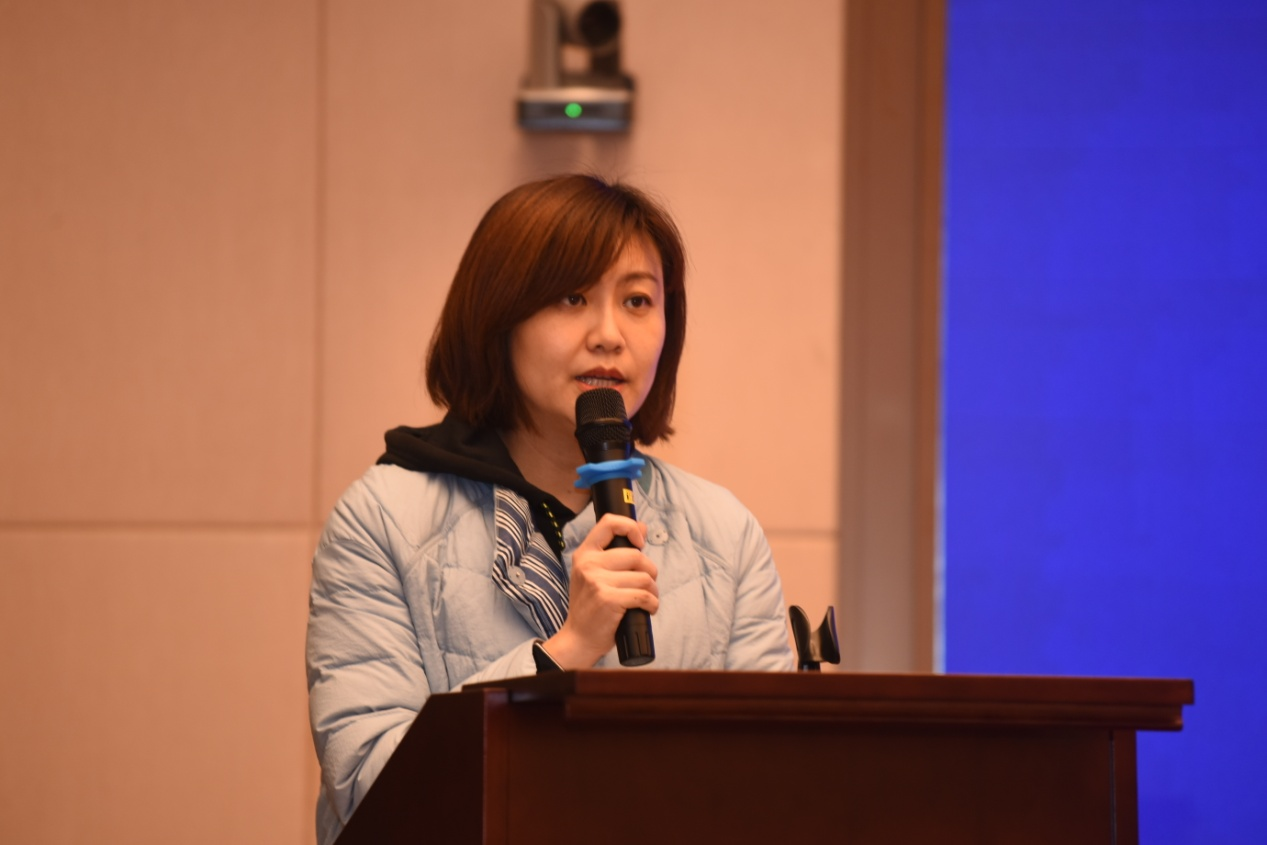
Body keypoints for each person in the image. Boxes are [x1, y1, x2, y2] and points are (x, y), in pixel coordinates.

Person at [305, 174, 794, 844]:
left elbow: (775, 789)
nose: (609, 335)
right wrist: (565, 651)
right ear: (499, 316)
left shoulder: (725, 533)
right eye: (572, 297)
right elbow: (369, 790)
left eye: (638, 300)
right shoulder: (382, 520)